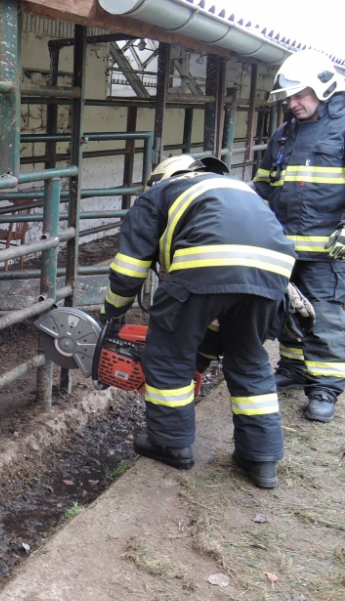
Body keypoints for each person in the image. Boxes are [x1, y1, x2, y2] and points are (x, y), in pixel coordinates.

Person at [101, 154, 296, 489]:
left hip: (204, 262)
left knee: (169, 355)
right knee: (249, 358)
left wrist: (112, 312)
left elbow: (130, 269)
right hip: (273, 272)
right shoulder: (238, 188)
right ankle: (261, 458)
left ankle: (170, 442)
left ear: (162, 177)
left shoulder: (158, 195)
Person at [253, 49, 345, 423]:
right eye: (289, 97)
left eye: (300, 95)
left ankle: (324, 387)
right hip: (284, 245)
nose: (293, 103)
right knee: (286, 310)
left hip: (326, 249)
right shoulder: (283, 134)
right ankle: (293, 368)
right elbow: (262, 184)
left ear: (323, 89)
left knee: (323, 315)